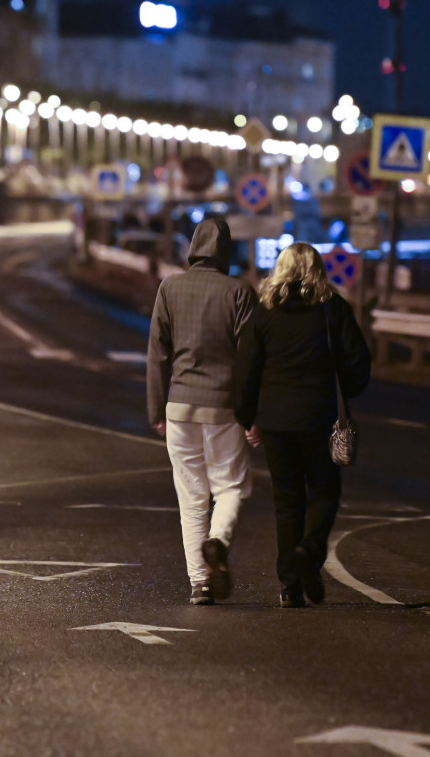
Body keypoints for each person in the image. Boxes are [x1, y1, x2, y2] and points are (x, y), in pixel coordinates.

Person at [234, 242, 371, 609]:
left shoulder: (264, 313)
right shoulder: (333, 310)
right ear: (317, 270)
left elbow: (247, 370)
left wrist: (247, 417)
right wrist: (349, 389)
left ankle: (290, 585)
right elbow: (357, 363)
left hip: (275, 421)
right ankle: (309, 551)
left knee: (287, 500)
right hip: (318, 418)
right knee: (325, 492)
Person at [147, 217, 258, 606]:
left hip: (178, 405)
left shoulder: (170, 288)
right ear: (226, 251)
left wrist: (156, 408)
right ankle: (218, 541)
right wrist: (251, 411)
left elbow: (157, 353)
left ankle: (199, 583)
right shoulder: (240, 292)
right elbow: (250, 357)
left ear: (192, 247)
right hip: (224, 406)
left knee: (191, 496)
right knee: (230, 486)